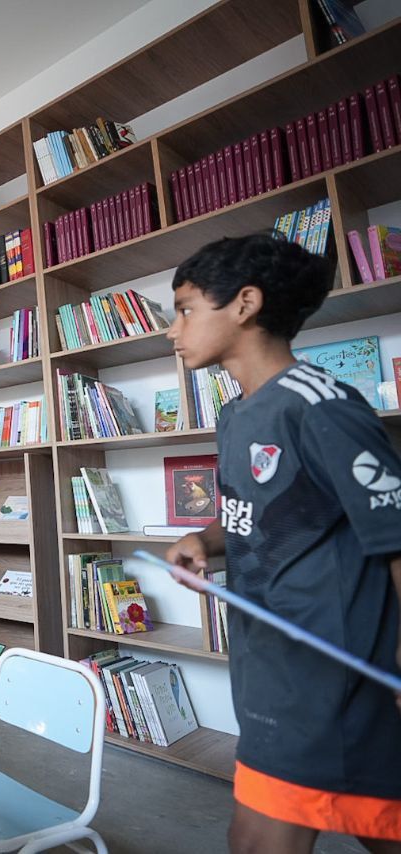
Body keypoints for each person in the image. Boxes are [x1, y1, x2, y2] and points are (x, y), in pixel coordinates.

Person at [164, 234, 401, 852]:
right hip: (269, 665)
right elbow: (253, 515)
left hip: (327, 678)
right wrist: (203, 540)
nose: (173, 328)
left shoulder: (320, 406)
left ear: (244, 304)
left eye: (186, 308)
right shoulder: (235, 415)